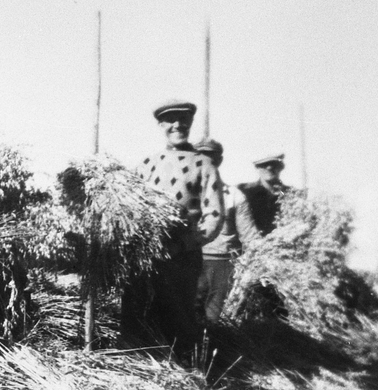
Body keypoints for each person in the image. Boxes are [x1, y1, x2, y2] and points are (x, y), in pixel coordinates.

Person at [121, 100, 224, 363]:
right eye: (170, 120)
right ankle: (136, 367)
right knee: (137, 313)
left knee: (178, 317)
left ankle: (184, 374)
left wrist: (186, 243)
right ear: (161, 125)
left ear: (190, 123)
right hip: (144, 256)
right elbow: (130, 205)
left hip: (182, 256)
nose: (177, 125)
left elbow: (214, 215)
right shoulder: (147, 163)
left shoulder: (204, 164)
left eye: (183, 119)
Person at [193, 139, 245, 326]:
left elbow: (247, 232)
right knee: (188, 310)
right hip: (192, 258)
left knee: (212, 315)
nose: (207, 165)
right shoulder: (188, 192)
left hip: (221, 263)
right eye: (201, 159)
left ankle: (207, 350)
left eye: (212, 160)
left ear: (219, 161)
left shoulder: (233, 195)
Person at [236, 153, 289, 242]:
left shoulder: (290, 194)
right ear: (257, 168)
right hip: (251, 246)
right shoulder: (245, 192)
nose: (269, 168)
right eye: (264, 165)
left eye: (273, 164)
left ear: (281, 168)